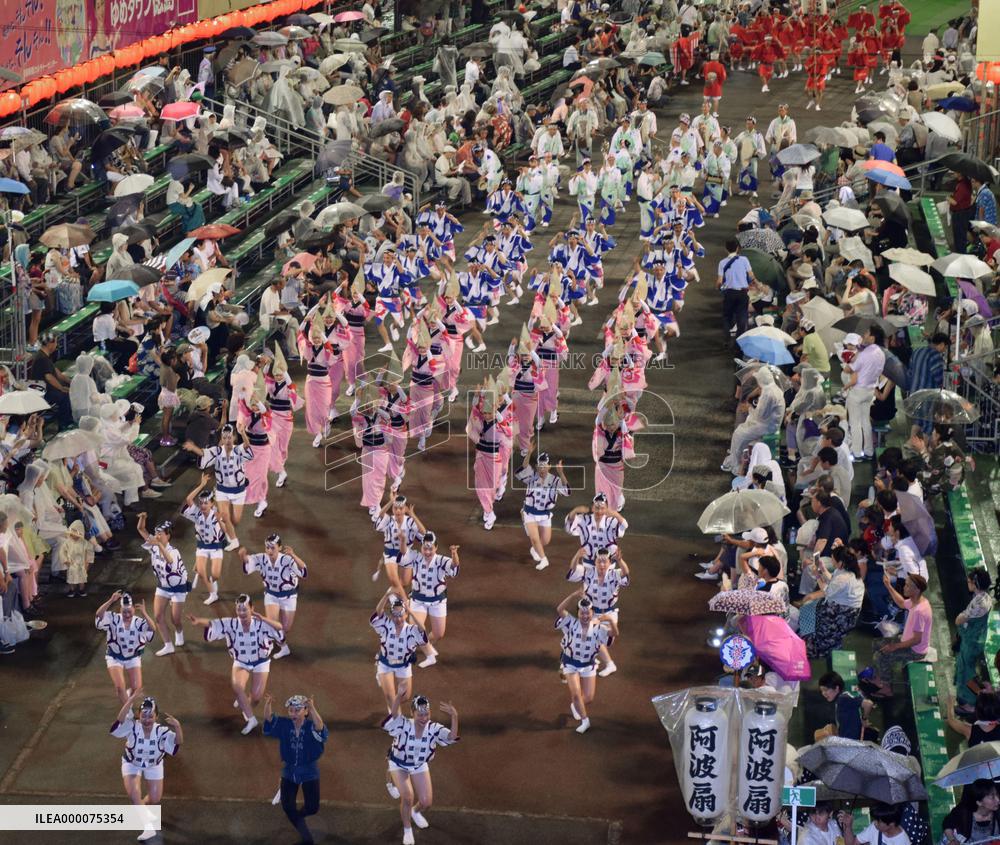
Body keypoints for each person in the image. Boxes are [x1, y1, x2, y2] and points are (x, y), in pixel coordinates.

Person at [187, 593, 284, 734]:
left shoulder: (261, 623)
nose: (242, 613)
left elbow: (279, 627)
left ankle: (245, 702)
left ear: (252, 609)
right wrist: (198, 621)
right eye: (239, 610)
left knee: (256, 697)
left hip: (261, 662)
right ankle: (251, 720)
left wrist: (264, 618)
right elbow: (213, 623)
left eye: (245, 609)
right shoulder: (231, 623)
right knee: (237, 687)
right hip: (241, 662)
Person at [382, 689, 459, 845]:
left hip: (418, 765)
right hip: (399, 764)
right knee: (408, 796)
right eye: (420, 714)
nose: (424, 718)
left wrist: (454, 716)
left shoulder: (433, 728)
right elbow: (394, 717)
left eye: (426, 714)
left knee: (426, 802)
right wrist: (397, 698)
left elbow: (451, 737)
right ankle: (407, 829)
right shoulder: (403, 724)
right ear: (412, 713)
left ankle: (414, 812)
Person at [110, 691, 182, 842]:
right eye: (144, 715)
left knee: (155, 799)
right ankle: (147, 827)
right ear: (138, 715)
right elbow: (118, 722)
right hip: (132, 764)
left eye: (150, 716)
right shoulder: (132, 727)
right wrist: (130, 700)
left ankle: (141, 809)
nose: (147, 719)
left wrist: (178, 726)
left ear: (156, 716)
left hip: (153, 765)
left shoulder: (161, 732)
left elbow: (177, 743)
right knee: (135, 793)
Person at [262, 693, 328, 845]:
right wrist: (268, 704)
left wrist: (312, 708)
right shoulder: (285, 724)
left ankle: (297, 817)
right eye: (291, 710)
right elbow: (269, 719)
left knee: (312, 808)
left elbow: (320, 727)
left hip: (309, 771)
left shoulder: (311, 726)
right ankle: (307, 839)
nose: (293, 713)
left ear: (305, 711)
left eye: (297, 710)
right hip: (289, 771)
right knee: (287, 806)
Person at [555, 591, 618, 734]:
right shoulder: (571, 623)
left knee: (588, 697)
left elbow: (614, 634)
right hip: (570, 662)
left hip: (588, 664)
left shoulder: (598, 628)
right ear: (578, 614)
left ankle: (576, 705)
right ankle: (585, 720)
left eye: (588, 613)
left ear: (592, 613)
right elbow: (559, 609)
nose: (585, 616)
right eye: (582, 613)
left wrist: (611, 621)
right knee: (576, 694)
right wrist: (572, 596)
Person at [860, 573, 931, 698]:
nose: (904, 587)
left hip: (916, 650)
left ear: (917, 590)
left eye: (908, 585)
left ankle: (887, 688)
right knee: (876, 644)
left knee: (880, 656)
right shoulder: (917, 600)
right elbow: (902, 603)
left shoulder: (920, 611)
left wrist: (895, 646)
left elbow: (916, 639)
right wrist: (888, 586)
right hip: (906, 640)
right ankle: (879, 677)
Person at [240, 534, 307, 660]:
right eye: (267, 548)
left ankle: (272, 638)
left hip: (289, 597)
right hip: (271, 595)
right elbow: (248, 565)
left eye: (272, 548)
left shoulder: (287, 560)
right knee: (273, 625)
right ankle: (280, 646)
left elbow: (304, 572)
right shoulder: (261, 558)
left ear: (280, 547)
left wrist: (293, 555)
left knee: (285, 628)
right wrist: (243, 557)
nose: (269, 551)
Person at [400, 532, 459, 669]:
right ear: (421, 548)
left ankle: (423, 645)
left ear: (436, 548)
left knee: (439, 633)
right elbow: (404, 554)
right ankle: (420, 652)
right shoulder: (415, 557)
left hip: (437, 601)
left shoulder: (441, 560)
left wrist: (454, 553)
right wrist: (403, 540)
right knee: (416, 629)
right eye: (425, 548)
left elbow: (454, 567)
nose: (427, 552)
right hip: (418, 600)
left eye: (430, 549)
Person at [135, 514, 188, 657]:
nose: (157, 536)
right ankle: (168, 645)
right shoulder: (154, 547)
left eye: (160, 534)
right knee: (158, 616)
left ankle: (179, 631)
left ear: (168, 536)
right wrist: (143, 517)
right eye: (156, 533)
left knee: (175, 619)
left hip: (178, 588)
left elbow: (170, 561)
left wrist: (158, 545)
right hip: (163, 586)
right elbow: (140, 528)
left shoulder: (173, 551)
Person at [182, 474, 239, 606]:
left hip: (216, 548)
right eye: (201, 503)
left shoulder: (217, 515)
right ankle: (213, 594)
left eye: (205, 503)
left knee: (215, 575)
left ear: (211, 503)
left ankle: (213, 584)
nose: (202, 505)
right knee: (202, 573)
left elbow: (225, 531)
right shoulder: (196, 513)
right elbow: (189, 499)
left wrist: (220, 520)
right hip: (202, 547)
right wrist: (202, 485)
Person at [184, 422, 253, 529]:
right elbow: (203, 453)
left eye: (229, 437)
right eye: (224, 437)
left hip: (238, 489)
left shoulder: (237, 450)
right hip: (222, 490)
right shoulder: (217, 451)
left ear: (234, 437)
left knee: (236, 520)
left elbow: (247, 446)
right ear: (221, 438)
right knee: (224, 519)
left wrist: (243, 433)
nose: (227, 440)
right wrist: (193, 448)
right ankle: (220, 535)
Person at [371, 590, 429, 713]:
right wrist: (386, 596)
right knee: (391, 698)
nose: (398, 619)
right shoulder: (385, 624)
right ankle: (394, 717)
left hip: (403, 665)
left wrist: (411, 611)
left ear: (405, 615)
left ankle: (392, 704)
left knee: (405, 696)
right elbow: (378, 612)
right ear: (391, 615)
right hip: (385, 664)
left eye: (401, 615)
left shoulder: (411, 631)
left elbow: (422, 629)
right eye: (395, 615)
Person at [96, 591, 156, 704]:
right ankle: (128, 712)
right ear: (120, 610)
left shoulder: (138, 622)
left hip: (133, 658)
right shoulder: (113, 618)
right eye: (124, 612)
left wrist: (144, 613)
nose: (127, 615)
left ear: (134, 609)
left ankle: (127, 697)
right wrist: (110, 601)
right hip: (114, 657)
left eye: (129, 611)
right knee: (119, 687)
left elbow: (153, 628)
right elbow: (99, 615)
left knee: (137, 689)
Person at [516, 445, 570, 571]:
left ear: (549, 466)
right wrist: (529, 453)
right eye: (540, 466)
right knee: (534, 538)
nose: (542, 468)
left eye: (545, 465)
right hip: (530, 511)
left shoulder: (555, 480)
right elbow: (523, 469)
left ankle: (536, 548)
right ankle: (544, 559)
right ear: (536, 467)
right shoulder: (532, 477)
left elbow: (566, 492)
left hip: (545, 514)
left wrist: (561, 473)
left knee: (544, 541)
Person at [953, 567, 994, 714]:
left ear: (975, 584)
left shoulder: (979, 604)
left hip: (971, 641)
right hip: (976, 638)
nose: (967, 583)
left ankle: (970, 704)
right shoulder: (986, 597)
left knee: (967, 672)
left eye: (969, 581)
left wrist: (960, 620)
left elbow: (959, 620)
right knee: (965, 667)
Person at [844, 325, 886, 458]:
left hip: (858, 391)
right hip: (870, 391)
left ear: (872, 337)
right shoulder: (881, 353)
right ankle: (868, 451)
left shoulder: (865, 353)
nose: (864, 335)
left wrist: (856, 354)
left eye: (867, 333)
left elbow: (849, 369)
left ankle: (856, 452)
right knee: (865, 421)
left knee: (854, 422)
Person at [29, 333, 72, 429]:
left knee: (66, 392)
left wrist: (71, 382)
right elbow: (49, 377)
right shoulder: (42, 358)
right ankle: (64, 425)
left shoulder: (45, 356)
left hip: (46, 390)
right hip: (42, 392)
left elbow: (58, 374)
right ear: (49, 344)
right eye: (55, 342)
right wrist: (61, 388)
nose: (56, 345)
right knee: (64, 397)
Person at [716, 238, 755, 342]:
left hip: (729, 293)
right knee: (742, 315)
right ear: (737, 248)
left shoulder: (722, 263)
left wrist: (719, 288)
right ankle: (739, 341)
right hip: (742, 293)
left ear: (726, 249)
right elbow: (751, 276)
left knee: (726, 316)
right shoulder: (744, 260)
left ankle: (726, 338)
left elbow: (719, 281)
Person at [815, 671, 873, 740]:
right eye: (822, 691)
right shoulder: (840, 700)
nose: (823, 693)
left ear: (836, 688)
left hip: (852, 745)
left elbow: (868, 704)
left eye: (826, 690)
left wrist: (864, 719)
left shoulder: (843, 699)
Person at [838, 803, 910, 845]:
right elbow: (852, 843)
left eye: (878, 821)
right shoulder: (874, 827)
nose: (874, 822)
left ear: (891, 823)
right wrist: (848, 826)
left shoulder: (903, 841)